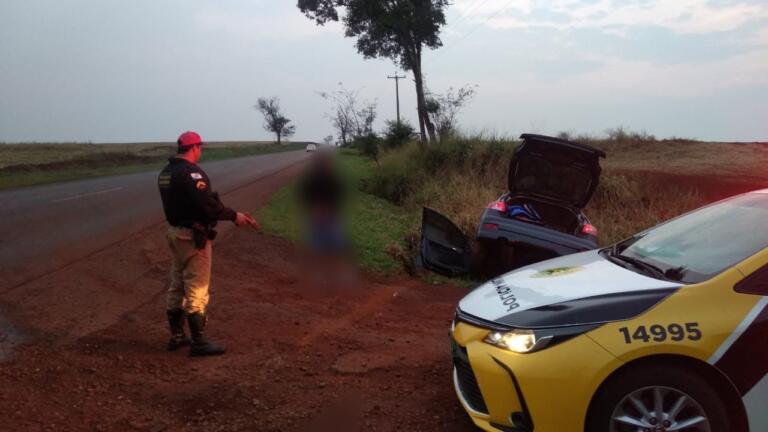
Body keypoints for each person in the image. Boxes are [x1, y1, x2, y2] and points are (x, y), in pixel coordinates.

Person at [157, 131, 258, 357]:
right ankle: (199, 341)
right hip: (192, 237)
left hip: (174, 234)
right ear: (195, 148)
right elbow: (207, 206)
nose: (200, 151)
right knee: (197, 287)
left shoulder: (166, 172)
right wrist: (234, 216)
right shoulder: (191, 173)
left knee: (177, 285)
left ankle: (177, 336)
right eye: (200, 147)